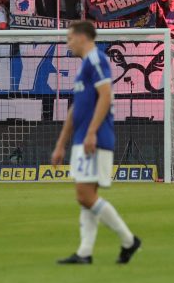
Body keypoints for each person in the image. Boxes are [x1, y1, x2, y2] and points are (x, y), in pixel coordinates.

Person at [51, 21, 142, 265]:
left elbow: (106, 95)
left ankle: (128, 240)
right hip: (83, 138)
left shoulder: (97, 60)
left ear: (82, 37)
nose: (68, 42)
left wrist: (92, 132)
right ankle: (84, 252)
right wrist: (61, 143)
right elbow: (75, 110)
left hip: (95, 137)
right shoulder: (83, 68)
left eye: (70, 37)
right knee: (87, 195)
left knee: (83, 195)